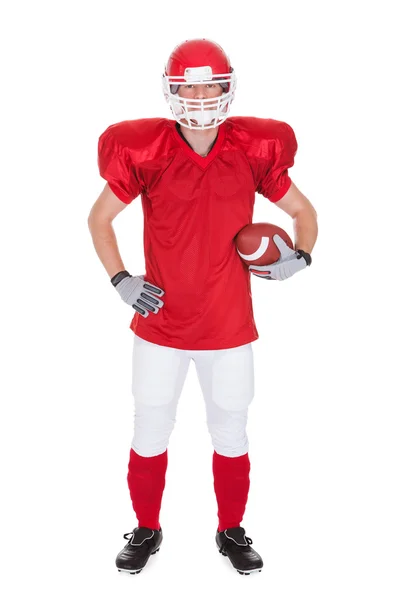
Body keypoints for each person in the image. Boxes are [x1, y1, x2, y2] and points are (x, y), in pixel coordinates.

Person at [88, 38, 318, 576]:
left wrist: (302, 256)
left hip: (229, 323)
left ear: (226, 85)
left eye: (207, 82)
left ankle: (231, 530)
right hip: (160, 323)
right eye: (186, 84)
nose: (197, 93)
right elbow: (99, 219)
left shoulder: (252, 150)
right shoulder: (146, 150)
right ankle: (146, 529)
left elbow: (303, 210)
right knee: (149, 430)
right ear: (171, 90)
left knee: (232, 432)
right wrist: (120, 279)